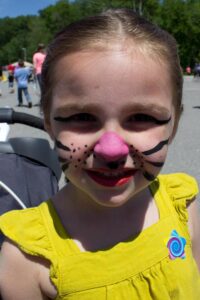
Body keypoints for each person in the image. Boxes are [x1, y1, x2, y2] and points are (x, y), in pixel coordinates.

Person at [0, 8, 200, 300]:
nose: (111, 149)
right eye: (81, 117)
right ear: (48, 123)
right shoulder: (27, 258)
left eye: (141, 116)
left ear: (175, 124)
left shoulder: (184, 206)